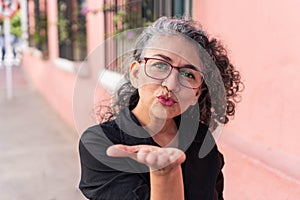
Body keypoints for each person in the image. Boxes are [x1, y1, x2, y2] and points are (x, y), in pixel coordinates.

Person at [79, 16, 243, 200]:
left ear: (197, 94)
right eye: (160, 65)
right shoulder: (101, 142)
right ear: (135, 74)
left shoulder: (202, 141)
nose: (171, 84)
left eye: (188, 74)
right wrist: (164, 173)